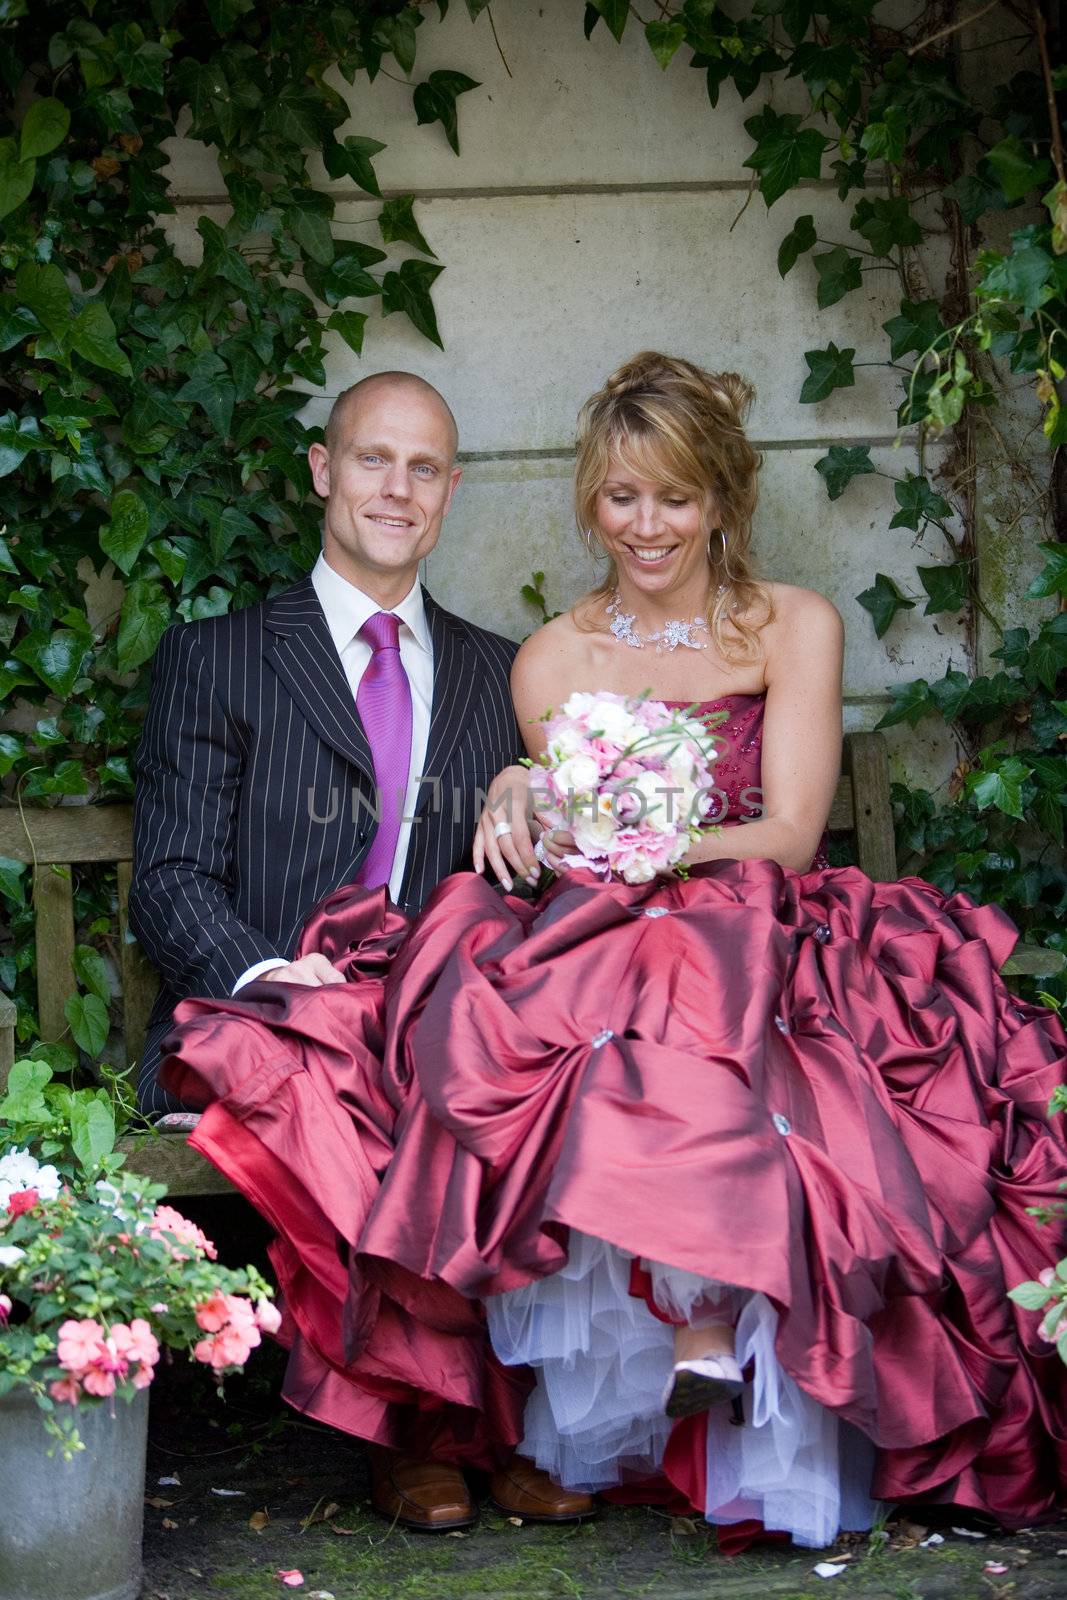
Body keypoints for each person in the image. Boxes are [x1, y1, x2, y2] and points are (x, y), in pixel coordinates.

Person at [160, 353, 1067, 1548]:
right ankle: (581, 1373)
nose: (646, 524)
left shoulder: (779, 625)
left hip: (751, 927)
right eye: (621, 497)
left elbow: (788, 834)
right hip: (579, 943)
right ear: (589, 502)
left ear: (721, 499)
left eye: (675, 496)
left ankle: (697, 1319)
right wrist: (522, 796)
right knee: (569, 1002)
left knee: (672, 989)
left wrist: (638, 835)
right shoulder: (539, 659)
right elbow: (525, 825)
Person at [130, 371, 589, 1529]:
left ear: (450, 493)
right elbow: (170, 880)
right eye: (373, 459)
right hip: (260, 1013)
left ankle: (510, 1421)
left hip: (430, 1009)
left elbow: (524, 882)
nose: (398, 487)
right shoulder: (218, 656)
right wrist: (270, 971)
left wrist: (533, 802)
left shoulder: (500, 674)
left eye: (424, 467)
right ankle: (428, 1429)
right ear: (323, 471)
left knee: (503, 1072)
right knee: (355, 1075)